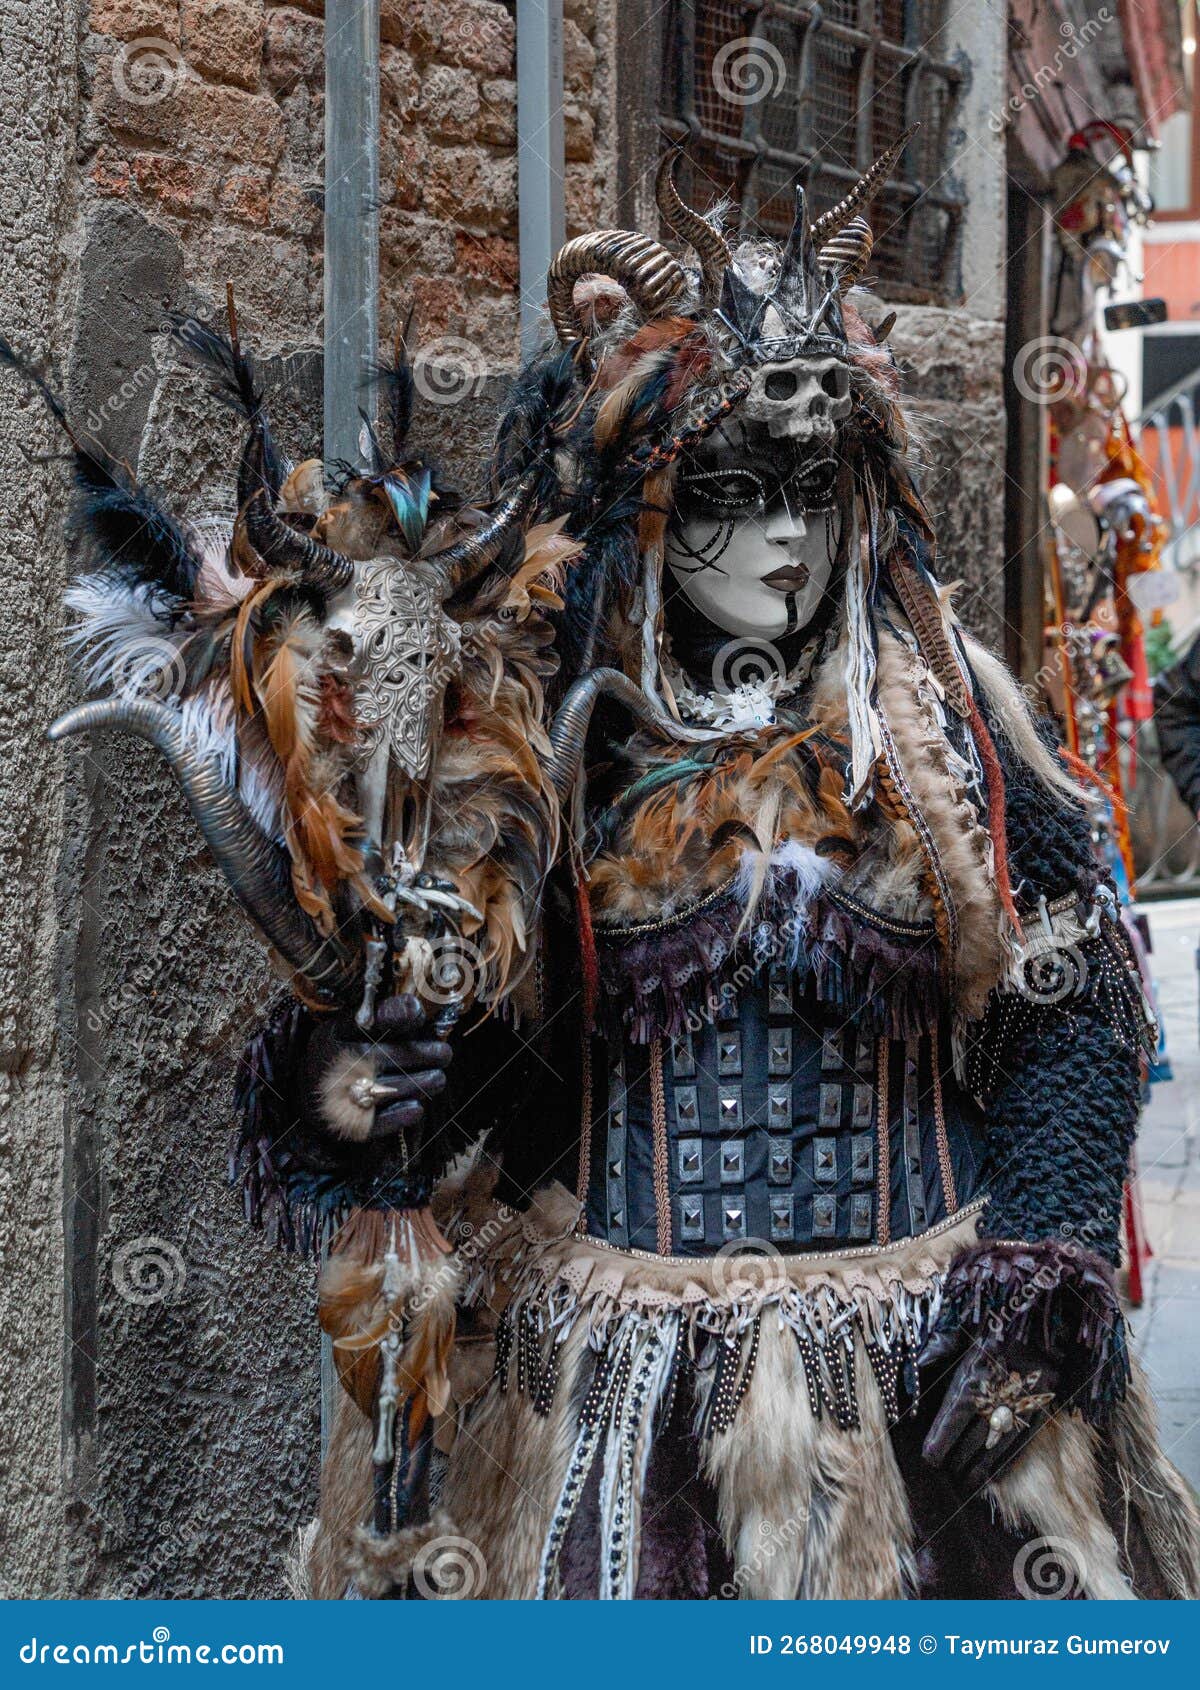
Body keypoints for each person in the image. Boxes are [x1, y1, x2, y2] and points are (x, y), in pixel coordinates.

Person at [22, 140, 1200, 1602]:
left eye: (817, 492)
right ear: (645, 490)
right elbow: (480, 1063)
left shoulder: (948, 719)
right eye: (731, 489)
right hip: (613, 1408)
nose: (783, 541)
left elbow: (1069, 985)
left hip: (930, 1378)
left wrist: (1047, 1259)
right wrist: (356, 1079)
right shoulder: (547, 733)